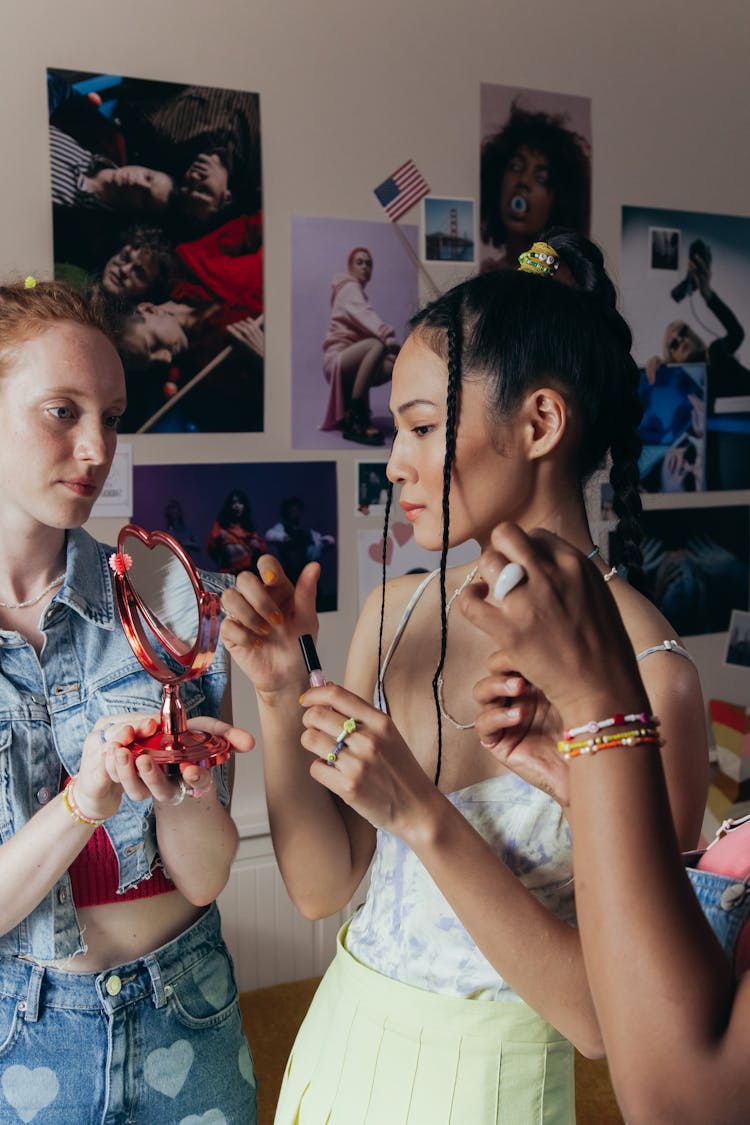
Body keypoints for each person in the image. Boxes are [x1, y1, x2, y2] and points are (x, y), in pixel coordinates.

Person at [219, 233, 708, 1123]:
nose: (396, 460)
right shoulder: (392, 615)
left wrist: (420, 808)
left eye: (421, 425)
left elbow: (604, 1019)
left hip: (489, 1093)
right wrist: (281, 692)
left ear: (539, 424)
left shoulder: (646, 676)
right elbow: (323, 890)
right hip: (332, 1059)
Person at [0, 280, 258, 1122]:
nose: (96, 447)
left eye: (110, 416)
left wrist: (180, 779)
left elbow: (207, 872)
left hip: (188, 1010)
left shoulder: (164, 598)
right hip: (25, 1036)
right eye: (61, 411)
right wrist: (86, 797)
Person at [460, 522, 749, 1125]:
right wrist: (585, 789)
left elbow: (678, 1103)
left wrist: (603, 703)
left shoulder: (660, 669)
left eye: (427, 424)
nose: (394, 465)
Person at [480, 101, 590, 273]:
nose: (523, 181)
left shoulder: (563, 280)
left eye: (541, 178)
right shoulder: (488, 274)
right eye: (516, 167)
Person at [321, 247, 400, 445]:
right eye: (359, 262)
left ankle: (351, 408)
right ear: (350, 268)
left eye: (369, 263)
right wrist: (387, 335)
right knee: (377, 344)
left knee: (392, 365)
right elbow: (365, 315)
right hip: (337, 358)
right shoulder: (349, 288)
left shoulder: (355, 291)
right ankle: (356, 414)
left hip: (351, 359)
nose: (365, 267)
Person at [265, 496, 335, 585]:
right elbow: (269, 535)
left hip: (307, 571)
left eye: (297, 510)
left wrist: (323, 542)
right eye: (292, 511)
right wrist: (284, 538)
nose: (295, 513)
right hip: (289, 572)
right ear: (286, 512)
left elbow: (328, 539)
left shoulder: (306, 531)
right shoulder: (281, 528)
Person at [207, 489, 266, 576]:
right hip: (229, 572)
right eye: (234, 503)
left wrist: (257, 546)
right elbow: (211, 548)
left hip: (249, 571)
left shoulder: (248, 527)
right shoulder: (221, 526)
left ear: (245, 506)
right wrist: (219, 539)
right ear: (229, 506)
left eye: (240, 503)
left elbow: (262, 549)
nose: (237, 506)